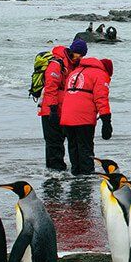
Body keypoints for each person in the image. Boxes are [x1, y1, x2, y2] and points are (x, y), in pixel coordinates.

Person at [38, 39, 86, 171]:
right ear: (73, 51)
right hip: (50, 109)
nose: (80, 58)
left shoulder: (72, 65)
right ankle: (54, 171)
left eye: (82, 56)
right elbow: (50, 87)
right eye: (79, 55)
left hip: (63, 109)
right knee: (54, 142)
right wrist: (52, 109)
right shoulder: (56, 63)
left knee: (58, 141)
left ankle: (55, 170)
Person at [60, 56, 113, 175]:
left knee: (73, 146)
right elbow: (101, 99)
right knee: (85, 147)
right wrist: (106, 121)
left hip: (67, 116)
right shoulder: (100, 74)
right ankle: (86, 176)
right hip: (83, 117)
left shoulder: (75, 72)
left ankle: (75, 173)